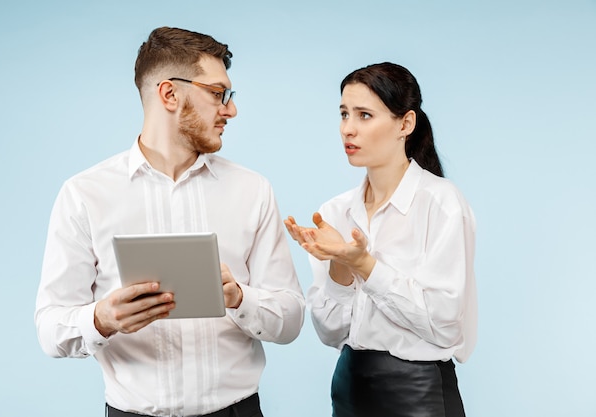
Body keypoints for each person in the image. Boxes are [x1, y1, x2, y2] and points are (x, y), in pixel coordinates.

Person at [35, 26, 305, 417]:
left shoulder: (253, 190)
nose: (230, 109)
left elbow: (292, 319)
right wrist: (102, 318)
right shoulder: (84, 195)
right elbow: (50, 329)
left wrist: (239, 298)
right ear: (169, 94)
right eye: (218, 94)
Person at [285, 62, 477, 417]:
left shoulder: (441, 203)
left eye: (364, 115)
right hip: (349, 388)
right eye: (344, 114)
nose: (348, 129)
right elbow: (330, 333)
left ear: (405, 124)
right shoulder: (334, 212)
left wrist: (365, 266)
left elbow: (445, 324)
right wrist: (342, 266)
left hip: (418, 394)